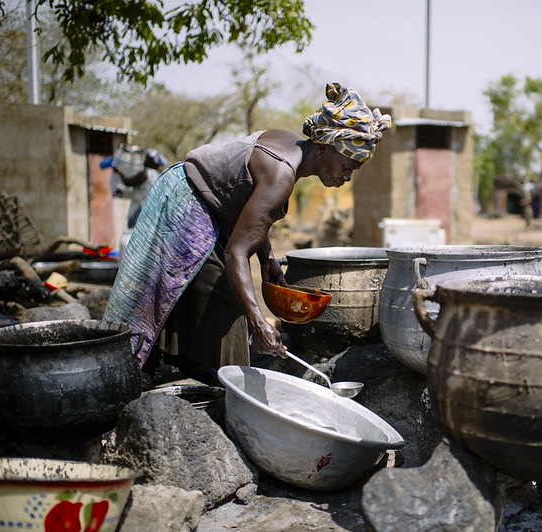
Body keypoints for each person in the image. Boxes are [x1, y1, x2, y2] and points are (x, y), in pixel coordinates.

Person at [104, 83, 391, 383]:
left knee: (210, 295)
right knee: (222, 298)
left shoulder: (292, 146)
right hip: (186, 203)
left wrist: (268, 261)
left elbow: (249, 212)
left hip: (204, 205)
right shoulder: (282, 173)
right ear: (323, 146)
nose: (346, 176)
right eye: (347, 165)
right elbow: (236, 252)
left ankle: (186, 370)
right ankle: (217, 384)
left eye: (353, 170)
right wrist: (258, 322)